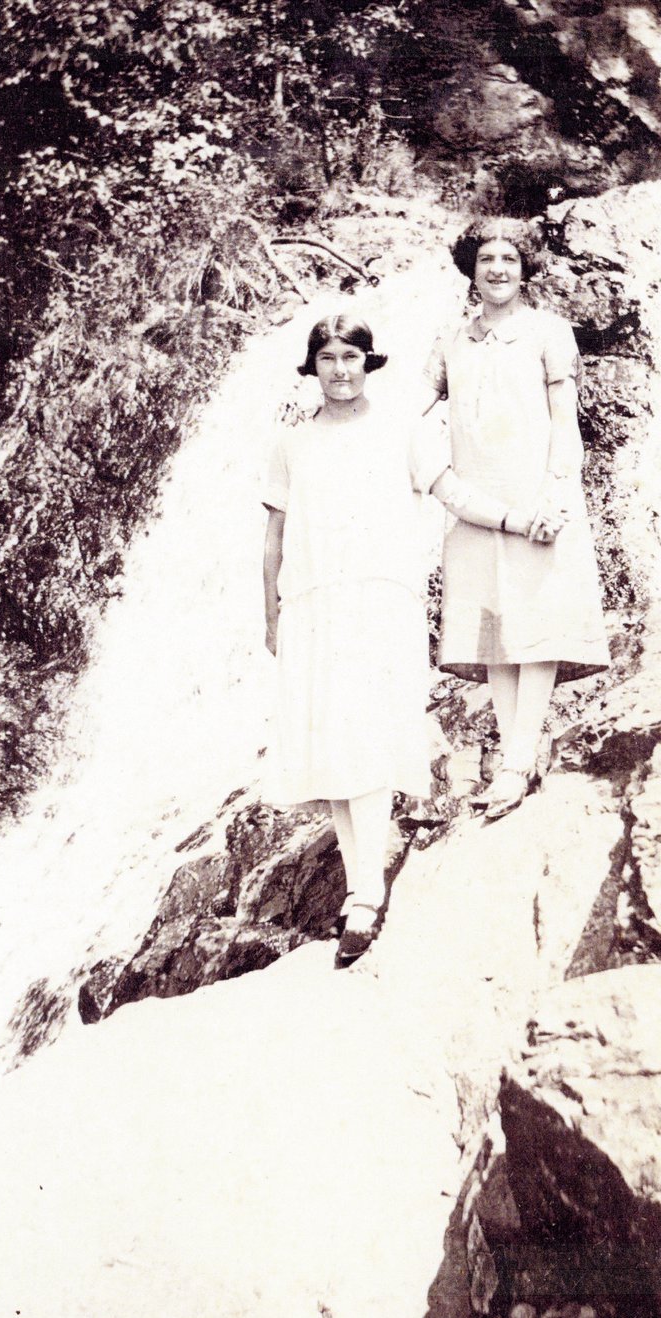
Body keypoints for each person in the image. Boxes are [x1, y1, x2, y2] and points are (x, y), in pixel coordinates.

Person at [262, 312, 555, 964]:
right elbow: (275, 536)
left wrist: (512, 518)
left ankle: (366, 894)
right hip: (311, 606)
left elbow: (450, 491)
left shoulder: (401, 428)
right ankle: (360, 887)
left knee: (364, 736)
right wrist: (272, 613)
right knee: (330, 749)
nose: (340, 368)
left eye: (352, 356)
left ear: (370, 362)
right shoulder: (290, 442)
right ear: (313, 367)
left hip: (378, 599)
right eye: (329, 357)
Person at [422, 217, 611, 820]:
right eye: (485, 259)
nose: (497, 268)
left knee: (538, 626)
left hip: (538, 497)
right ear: (470, 270)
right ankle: (516, 758)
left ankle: (516, 761)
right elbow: (410, 407)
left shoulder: (548, 331)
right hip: (478, 502)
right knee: (496, 632)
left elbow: (565, 419)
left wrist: (558, 493)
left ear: (525, 268)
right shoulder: (451, 340)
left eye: (508, 258)